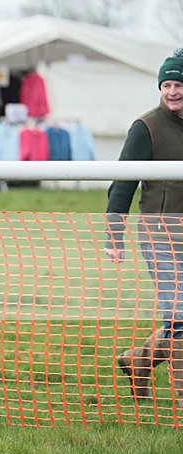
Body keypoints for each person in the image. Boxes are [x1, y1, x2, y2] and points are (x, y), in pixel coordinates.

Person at [105, 48, 183, 407]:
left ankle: (140, 360)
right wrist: (113, 236)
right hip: (161, 236)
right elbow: (122, 183)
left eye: (178, 83)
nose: (172, 91)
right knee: (179, 315)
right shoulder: (146, 127)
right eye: (166, 84)